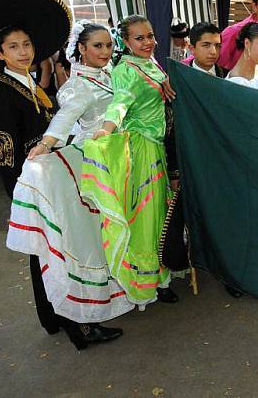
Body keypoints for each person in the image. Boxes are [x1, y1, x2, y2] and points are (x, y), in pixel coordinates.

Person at [0, 0, 124, 349]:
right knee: (54, 251)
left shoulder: (32, 86)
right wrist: (24, 197)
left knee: (48, 252)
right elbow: (6, 157)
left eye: (27, 44)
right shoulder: (4, 97)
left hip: (54, 181)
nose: (23, 52)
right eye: (14, 47)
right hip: (37, 188)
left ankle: (52, 317)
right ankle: (75, 327)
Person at [8, 22, 132, 349]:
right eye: (97, 47)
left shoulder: (107, 75)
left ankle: (120, 290)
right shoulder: (79, 86)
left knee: (109, 234)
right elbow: (66, 117)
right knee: (84, 240)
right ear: (82, 49)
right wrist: (47, 144)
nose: (105, 52)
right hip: (91, 167)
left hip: (116, 163)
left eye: (108, 46)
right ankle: (83, 318)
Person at [83, 15, 179, 307]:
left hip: (159, 146)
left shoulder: (150, 63)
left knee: (161, 213)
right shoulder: (125, 69)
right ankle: (153, 282)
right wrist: (107, 129)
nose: (148, 42)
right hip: (143, 149)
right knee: (147, 218)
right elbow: (120, 102)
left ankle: (163, 270)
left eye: (150, 36)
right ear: (126, 42)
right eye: (139, 38)